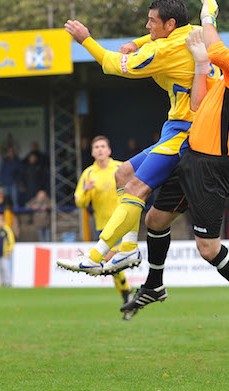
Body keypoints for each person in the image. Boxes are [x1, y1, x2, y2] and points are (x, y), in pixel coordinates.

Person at [121, 0, 229, 335]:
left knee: (207, 248)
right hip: (191, 155)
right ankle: (154, 285)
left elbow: (219, 51)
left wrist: (209, 16)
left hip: (212, 166)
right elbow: (196, 104)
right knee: (155, 218)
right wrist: (197, 65)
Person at [59, 0, 212, 275]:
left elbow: (113, 63)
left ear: (169, 24)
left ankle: (95, 256)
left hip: (187, 132)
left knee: (135, 189)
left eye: (152, 22)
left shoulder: (162, 52)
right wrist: (138, 41)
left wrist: (86, 39)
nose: (147, 25)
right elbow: (157, 39)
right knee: (123, 174)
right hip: (176, 127)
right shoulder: (192, 33)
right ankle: (128, 251)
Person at [73, 135, 138, 320]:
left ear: (109, 150)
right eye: (96, 147)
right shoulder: (88, 174)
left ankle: (129, 294)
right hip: (103, 227)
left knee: (110, 260)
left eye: (103, 146)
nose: (100, 149)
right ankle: (128, 295)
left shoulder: (120, 168)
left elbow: (137, 188)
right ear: (93, 152)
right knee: (112, 266)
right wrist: (86, 190)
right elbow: (79, 202)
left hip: (122, 222)